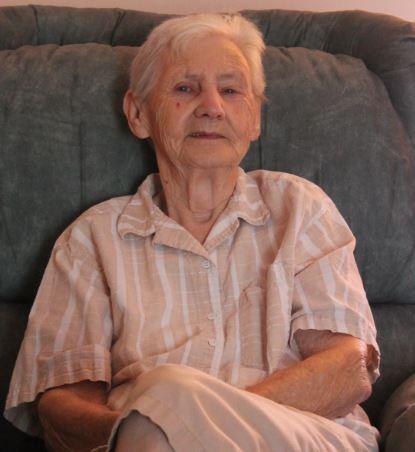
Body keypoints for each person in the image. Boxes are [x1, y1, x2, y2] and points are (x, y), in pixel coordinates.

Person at [4, 13, 380, 452]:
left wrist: (183, 423)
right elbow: (61, 406)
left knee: (165, 398)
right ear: (138, 113)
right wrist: (157, 424)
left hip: (300, 436)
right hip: (143, 442)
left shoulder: (301, 209)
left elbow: (347, 369)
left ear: (254, 118)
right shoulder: (91, 239)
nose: (212, 107)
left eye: (231, 90)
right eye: (185, 88)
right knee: (165, 395)